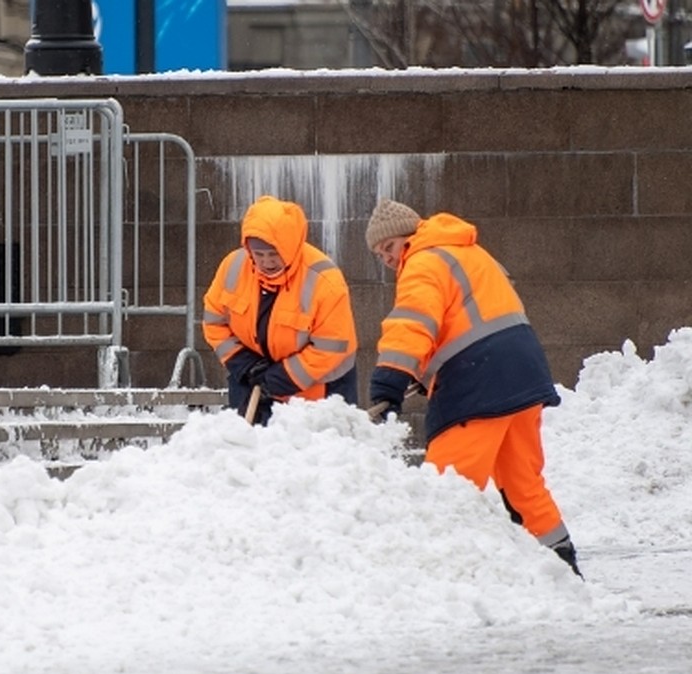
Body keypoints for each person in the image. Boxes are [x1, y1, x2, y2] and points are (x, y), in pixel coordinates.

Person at [364, 198, 581, 577]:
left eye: (389, 247)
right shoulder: (468, 252)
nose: (386, 258)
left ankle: (437, 577)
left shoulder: (423, 260)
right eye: (379, 253)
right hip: (523, 374)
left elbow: (413, 322)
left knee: (446, 488)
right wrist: (425, 372)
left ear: (408, 237)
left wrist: (389, 380)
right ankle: (562, 572)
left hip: (480, 384)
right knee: (522, 483)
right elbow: (467, 317)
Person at [202, 195, 358, 426]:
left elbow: (331, 345)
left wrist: (279, 378)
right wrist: (244, 364)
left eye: (274, 254)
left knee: (312, 458)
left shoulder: (324, 281)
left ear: (289, 247)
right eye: (259, 254)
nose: (266, 262)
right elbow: (215, 321)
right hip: (250, 379)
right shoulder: (233, 267)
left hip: (316, 390)